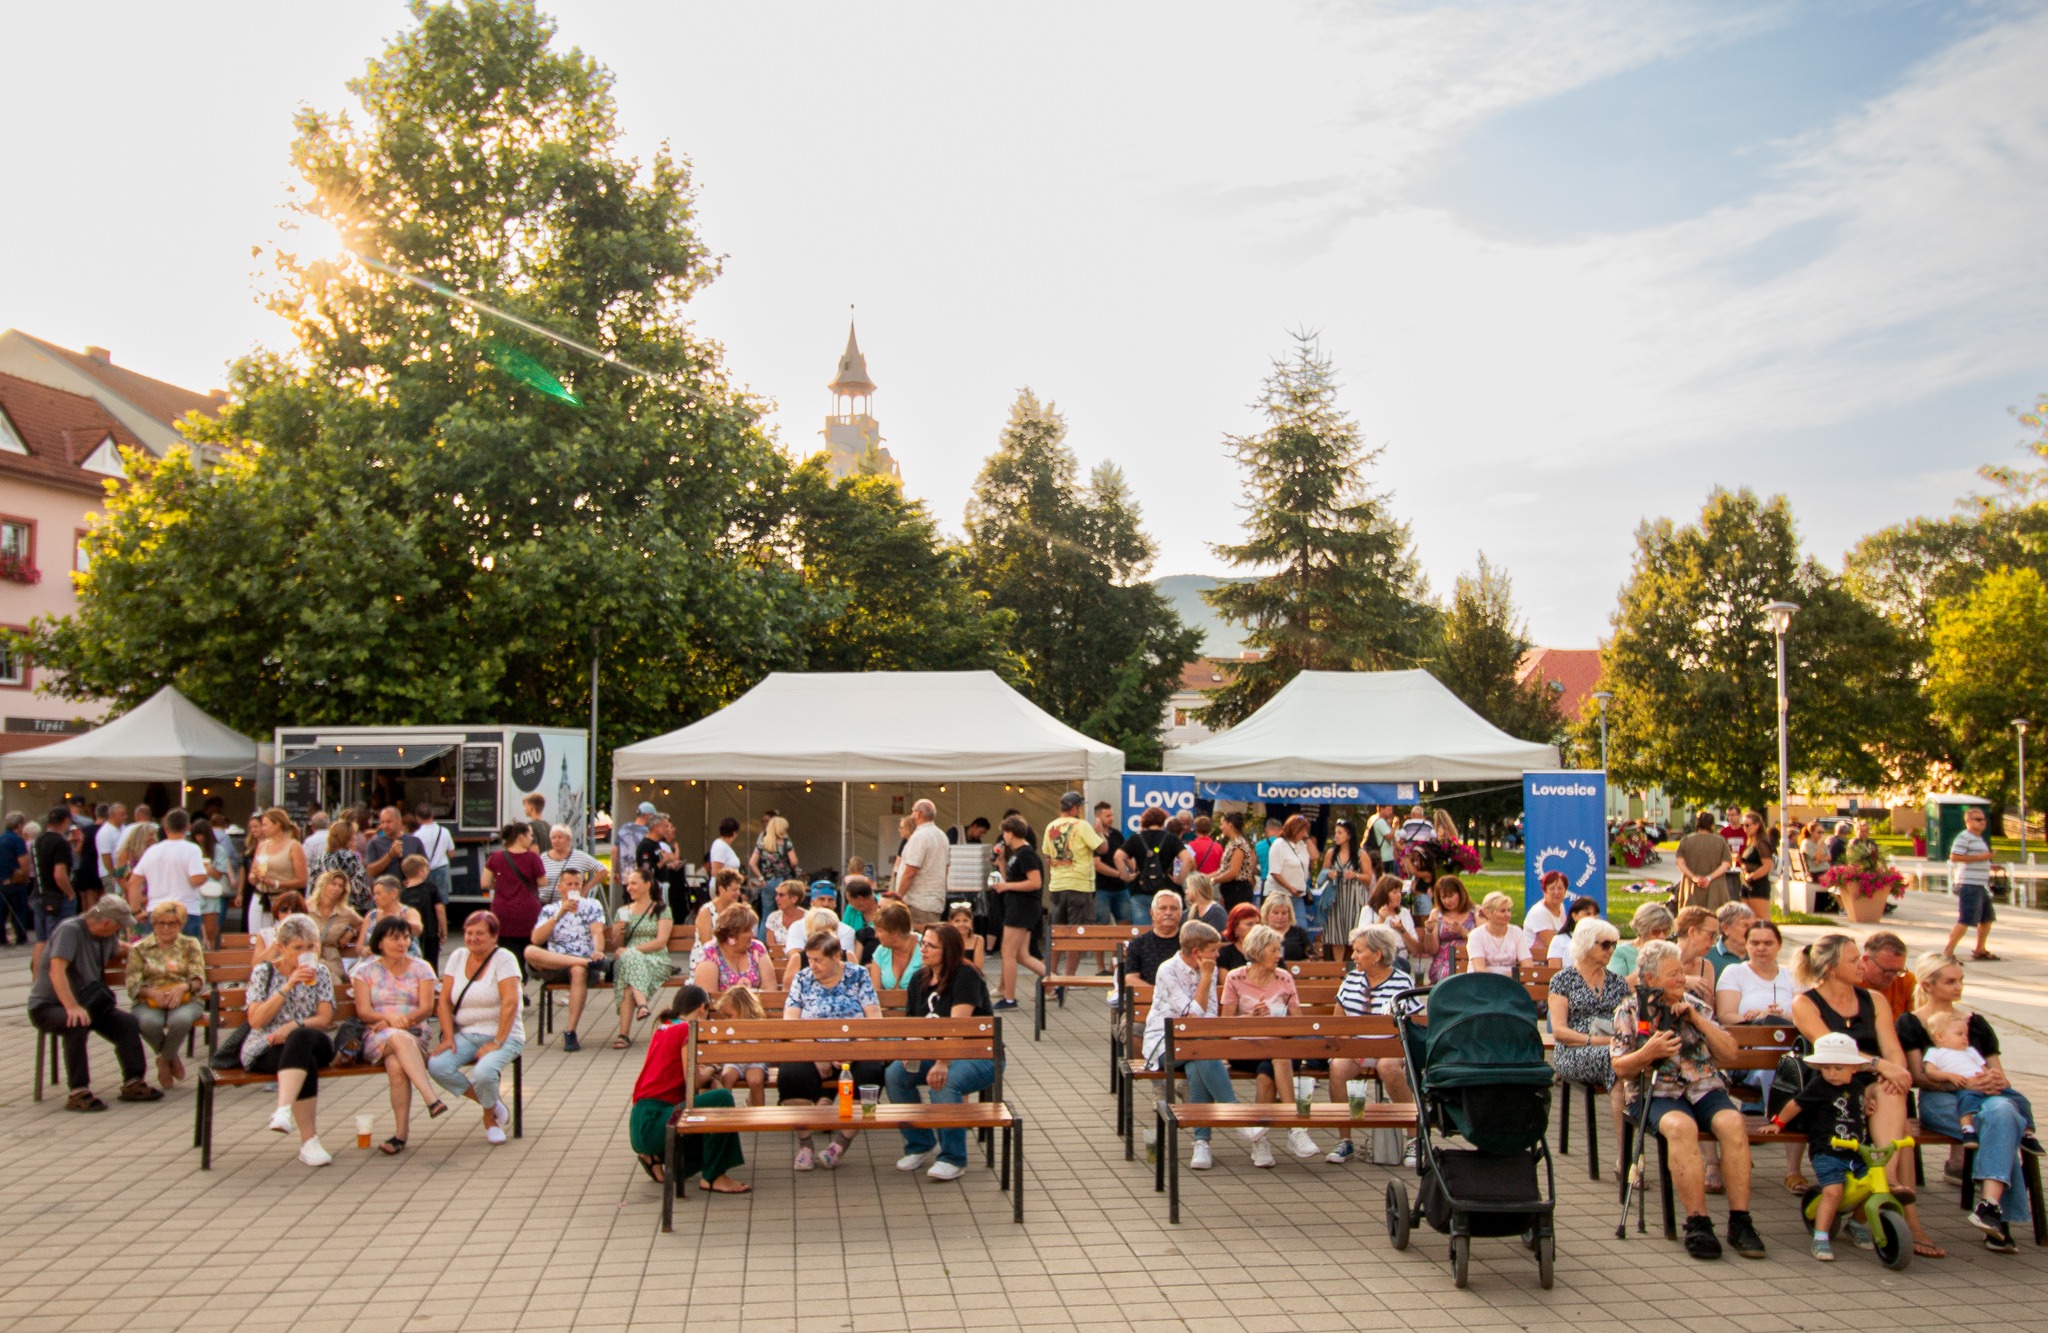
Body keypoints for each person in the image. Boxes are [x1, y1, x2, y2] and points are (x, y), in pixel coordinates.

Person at [1610, 940, 1766, 1261]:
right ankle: (1698, 1221)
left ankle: (1740, 1220)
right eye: (1672, 975)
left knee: (1732, 1122)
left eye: (1682, 972)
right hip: (1657, 1091)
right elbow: (1620, 1067)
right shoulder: (1629, 1010)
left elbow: (1730, 1052)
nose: (1681, 979)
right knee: (1681, 1128)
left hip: (1703, 1087)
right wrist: (1648, 1052)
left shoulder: (1697, 1005)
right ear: (1650, 979)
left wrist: (1697, 1020)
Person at [1792, 933, 1941, 1258]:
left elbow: (1893, 1050)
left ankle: (1882, 1185)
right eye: (1853, 959)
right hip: (1832, 1089)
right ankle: (1891, 1199)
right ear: (1831, 968)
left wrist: (1896, 1075)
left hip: (1874, 1084)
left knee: (1892, 1097)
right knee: (1899, 1125)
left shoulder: (1874, 999)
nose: (1862, 964)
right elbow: (1833, 1052)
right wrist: (1881, 1066)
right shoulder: (1805, 1003)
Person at [1900, 952, 2035, 1252]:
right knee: (2004, 1121)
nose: (1959, 987)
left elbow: (1997, 1072)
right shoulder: (1912, 1023)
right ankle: (1996, 1218)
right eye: (1950, 981)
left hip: (1986, 1100)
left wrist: (1996, 1080)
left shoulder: (1976, 1023)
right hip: (1941, 1101)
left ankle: (1989, 1208)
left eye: (1961, 980)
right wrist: (1960, 1082)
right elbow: (1919, 1077)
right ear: (1928, 985)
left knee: (2001, 1113)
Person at [1142, 919, 1267, 1170]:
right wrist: (1207, 977)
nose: (1218, 954)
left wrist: (1206, 979)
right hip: (1162, 1045)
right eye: (1214, 950)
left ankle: (1202, 1143)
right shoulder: (1168, 970)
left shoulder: (1207, 970)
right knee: (1200, 1047)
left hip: (1195, 1045)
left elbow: (1207, 1018)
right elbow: (1191, 1017)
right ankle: (1236, 1117)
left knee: (1198, 1060)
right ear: (1197, 952)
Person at [888, 923, 998, 1180]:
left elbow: (957, 1026)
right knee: (895, 1074)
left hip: (976, 1053)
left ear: (947, 950)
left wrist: (942, 1061)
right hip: (937, 1051)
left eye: (930, 945)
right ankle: (920, 1142)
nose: (923, 949)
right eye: (922, 943)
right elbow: (914, 1022)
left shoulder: (966, 975)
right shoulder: (920, 977)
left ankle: (953, 1158)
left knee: (944, 1081)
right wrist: (911, 1048)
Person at [628, 985, 749, 1193]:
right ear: (702, 1008)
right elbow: (693, 1080)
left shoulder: (665, 1026)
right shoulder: (686, 1030)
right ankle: (713, 1176)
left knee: (703, 1111)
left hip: (641, 1120)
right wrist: (711, 1069)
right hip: (657, 1121)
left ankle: (657, 1157)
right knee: (721, 1098)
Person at [780, 932, 885, 1170]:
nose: (813, 966)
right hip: (812, 1048)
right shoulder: (803, 978)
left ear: (837, 956)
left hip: (854, 1048)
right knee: (790, 1075)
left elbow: (874, 1017)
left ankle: (839, 1145)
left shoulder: (858, 975)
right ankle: (806, 1146)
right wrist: (818, 1052)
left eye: (818, 960)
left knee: (871, 1073)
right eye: (810, 959)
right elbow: (791, 1021)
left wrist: (852, 1049)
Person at [1768, 1031, 1876, 1261]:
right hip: (1827, 1151)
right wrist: (1778, 1122)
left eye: (1838, 1068)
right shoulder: (1819, 1086)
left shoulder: (1857, 1086)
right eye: (1826, 1068)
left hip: (1856, 1151)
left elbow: (1854, 1105)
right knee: (1833, 1191)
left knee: (1872, 1184)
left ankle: (1856, 1223)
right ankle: (1821, 1236)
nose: (1832, 1073)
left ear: (1854, 1068)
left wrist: (1866, 1107)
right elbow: (1796, 1104)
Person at [241, 912, 338, 1165]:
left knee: (302, 1035)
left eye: (310, 947)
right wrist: (288, 985)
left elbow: (325, 1018)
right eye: (297, 948)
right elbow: (256, 1021)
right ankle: (310, 1142)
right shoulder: (264, 972)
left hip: (315, 1041)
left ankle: (283, 1109)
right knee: (305, 1063)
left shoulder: (321, 972)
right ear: (281, 948)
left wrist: (291, 1026)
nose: (305, 953)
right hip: (267, 1045)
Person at [1222, 923, 1317, 1162]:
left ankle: (1261, 1142)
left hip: (1279, 1047)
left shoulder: (1284, 978)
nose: (1279, 956)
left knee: (1270, 1072)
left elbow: (1299, 1022)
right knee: (1277, 1057)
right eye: (1274, 950)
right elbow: (1224, 1024)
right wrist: (1250, 1018)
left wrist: (1279, 1020)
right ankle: (1295, 1129)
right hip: (1246, 1049)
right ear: (1258, 950)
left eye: (1279, 950)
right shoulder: (1236, 978)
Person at [352, 915, 447, 1153]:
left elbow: (426, 1008)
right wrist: (389, 1020)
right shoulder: (364, 971)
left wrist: (402, 1021)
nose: (402, 943)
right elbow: (363, 1011)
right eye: (395, 938)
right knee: (398, 1038)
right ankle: (431, 1099)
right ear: (380, 942)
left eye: (406, 937)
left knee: (396, 1066)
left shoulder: (421, 967)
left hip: (414, 1030)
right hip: (377, 1034)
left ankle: (400, 1136)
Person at [430, 911, 526, 1146]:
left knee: (483, 1073)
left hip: (504, 1035)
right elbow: (443, 1001)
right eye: (468, 933)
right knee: (437, 1065)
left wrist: (497, 1041)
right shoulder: (458, 956)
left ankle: (489, 1120)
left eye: (480, 933)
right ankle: (493, 1103)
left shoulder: (504, 958)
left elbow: (511, 1002)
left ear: (494, 937)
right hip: (467, 1032)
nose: (473, 938)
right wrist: (448, 1036)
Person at [1323, 924, 1414, 1165]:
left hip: (1390, 1048)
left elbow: (1411, 1026)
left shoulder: (1402, 982)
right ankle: (1345, 1140)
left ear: (1378, 955)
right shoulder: (1351, 979)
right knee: (1338, 1068)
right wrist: (1353, 1046)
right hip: (1356, 1047)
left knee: (1388, 1068)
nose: (1352, 957)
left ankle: (1414, 1139)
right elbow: (1338, 1022)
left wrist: (1382, 1048)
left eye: (1358, 951)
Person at [1547, 916, 1629, 1177]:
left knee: (1624, 1068)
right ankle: (1626, 1159)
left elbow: (1631, 1022)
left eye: (1614, 944)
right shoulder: (1564, 980)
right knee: (1618, 1063)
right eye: (1605, 944)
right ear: (1585, 943)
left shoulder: (1618, 982)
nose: (1611, 950)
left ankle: (1626, 1157)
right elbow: (1559, 1031)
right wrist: (1599, 1041)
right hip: (1574, 1050)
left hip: (1615, 1049)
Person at [125, 900, 208, 1089]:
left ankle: (164, 1060)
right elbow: (132, 984)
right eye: (160, 923)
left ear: (181, 924)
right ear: (153, 924)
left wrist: (182, 988)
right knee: (147, 1022)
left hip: (186, 998)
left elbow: (198, 978)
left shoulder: (190, 944)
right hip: (149, 1000)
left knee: (180, 1021)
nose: (166, 928)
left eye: (172, 923)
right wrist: (151, 993)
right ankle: (171, 1056)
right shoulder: (140, 948)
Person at [525, 866, 609, 1051]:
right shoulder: (550, 909)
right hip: (555, 964)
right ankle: (585, 962)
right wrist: (560, 913)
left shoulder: (592, 905)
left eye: (577, 884)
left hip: (582, 967)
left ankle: (570, 1031)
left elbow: (597, 931)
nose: (573, 888)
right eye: (569, 884)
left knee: (578, 970)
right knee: (530, 951)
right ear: (560, 888)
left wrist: (598, 950)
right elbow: (537, 938)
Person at [611, 867, 676, 1046]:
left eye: (634, 883)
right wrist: (618, 931)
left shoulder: (661, 910)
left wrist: (632, 950)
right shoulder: (623, 911)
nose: (629, 887)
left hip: (655, 959)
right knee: (628, 962)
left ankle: (623, 1035)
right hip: (627, 960)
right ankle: (642, 1005)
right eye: (628, 884)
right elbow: (616, 946)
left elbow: (660, 942)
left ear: (647, 884)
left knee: (627, 980)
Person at [992, 814, 1045, 1011]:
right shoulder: (1015, 853)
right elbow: (1012, 879)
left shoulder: (1026, 853)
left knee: (1008, 952)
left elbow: (1035, 882)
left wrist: (1007, 888)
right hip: (1018, 906)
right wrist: (1002, 865)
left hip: (1022, 908)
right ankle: (1055, 981)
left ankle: (1009, 998)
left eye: (1004, 832)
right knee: (1023, 955)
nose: (1003, 836)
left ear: (1011, 833)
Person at [481, 822, 546, 972]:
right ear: (521, 837)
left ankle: (513, 981)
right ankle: (523, 981)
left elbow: (485, 883)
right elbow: (543, 882)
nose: (531, 839)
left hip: (502, 911)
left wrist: (502, 883)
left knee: (507, 952)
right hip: (528, 911)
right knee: (528, 950)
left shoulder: (495, 857)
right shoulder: (532, 858)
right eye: (530, 835)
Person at [29, 806, 78, 974]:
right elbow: (59, 874)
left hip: (38, 894)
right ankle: (55, 977)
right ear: (66, 821)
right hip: (57, 897)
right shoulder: (60, 843)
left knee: (41, 940)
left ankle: (37, 978)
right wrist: (70, 892)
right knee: (58, 941)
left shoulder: (37, 840)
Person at [1946, 805, 1998, 962]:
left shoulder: (1978, 838)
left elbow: (1976, 859)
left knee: (1987, 918)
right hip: (1968, 884)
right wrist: (1983, 858)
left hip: (1979, 885)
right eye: (1978, 819)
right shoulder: (1964, 837)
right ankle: (1947, 953)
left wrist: (1990, 865)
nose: (1983, 822)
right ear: (1968, 821)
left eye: (1984, 819)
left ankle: (1980, 949)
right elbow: (1954, 857)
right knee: (1965, 920)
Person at [246, 808, 308, 936]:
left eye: (265, 825)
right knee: (256, 936)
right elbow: (251, 875)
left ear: (277, 825)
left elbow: (302, 880)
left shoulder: (294, 846)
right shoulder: (263, 845)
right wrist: (255, 876)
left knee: (281, 937)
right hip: (260, 897)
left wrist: (276, 883)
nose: (263, 828)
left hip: (283, 899)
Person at [707, 985, 770, 1106]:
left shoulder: (758, 1026)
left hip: (755, 1061)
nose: (727, 1020)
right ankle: (728, 1111)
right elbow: (717, 1048)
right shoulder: (728, 1028)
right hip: (733, 1061)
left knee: (756, 1081)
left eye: (729, 1016)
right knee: (726, 1078)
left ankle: (758, 1115)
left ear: (744, 1011)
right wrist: (723, 1037)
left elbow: (766, 1048)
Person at [891, 800, 950, 928]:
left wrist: (898, 897)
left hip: (918, 903)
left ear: (918, 814)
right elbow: (946, 868)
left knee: (919, 943)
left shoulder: (920, 836)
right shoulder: (942, 835)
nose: (912, 815)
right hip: (934, 901)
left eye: (913, 811)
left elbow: (911, 871)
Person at [1119, 807, 1190, 904]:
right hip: (1166, 889)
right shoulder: (1171, 838)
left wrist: (1126, 877)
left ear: (1144, 821)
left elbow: (1118, 856)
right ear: (1163, 821)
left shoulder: (1136, 838)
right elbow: (1187, 859)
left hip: (1140, 890)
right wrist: (1179, 880)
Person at [1320, 819, 1370, 947]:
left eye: (1340, 833)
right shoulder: (1331, 853)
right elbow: (1323, 873)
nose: (1336, 836)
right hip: (1336, 898)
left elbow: (1368, 877)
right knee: (1336, 933)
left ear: (1349, 835)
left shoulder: (1360, 854)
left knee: (1356, 932)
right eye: (1336, 833)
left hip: (1355, 898)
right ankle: (1338, 965)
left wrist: (1355, 875)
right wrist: (1329, 874)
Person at [188, 816, 235, 949]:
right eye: (196, 835)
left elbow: (219, 874)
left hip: (210, 894)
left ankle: (212, 958)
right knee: (193, 930)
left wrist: (207, 868)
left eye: (201, 834)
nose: (199, 838)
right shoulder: (191, 849)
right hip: (193, 893)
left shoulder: (218, 849)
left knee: (211, 931)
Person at [1674, 810, 1734, 912]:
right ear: (1712, 824)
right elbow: (1725, 864)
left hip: (1692, 886)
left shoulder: (1686, 840)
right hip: (1715, 886)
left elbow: (1679, 863)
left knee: (1691, 917)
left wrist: (1694, 877)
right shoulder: (1720, 841)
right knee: (1715, 917)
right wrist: (1709, 878)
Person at [1421, 875, 1476, 983]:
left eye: (1451, 896)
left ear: (1460, 894)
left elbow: (1484, 940)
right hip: (1443, 961)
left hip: (1470, 958)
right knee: (1446, 973)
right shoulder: (1436, 914)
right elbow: (1431, 950)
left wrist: (1462, 932)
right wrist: (1428, 932)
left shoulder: (1475, 912)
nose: (1447, 901)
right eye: (1443, 897)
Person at [1124, 891, 1184, 989]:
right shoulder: (1138, 944)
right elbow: (1130, 979)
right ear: (1152, 913)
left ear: (1180, 913)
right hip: (1150, 999)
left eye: (1173, 908)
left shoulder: (1190, 943)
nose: (1168, 913)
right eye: (1163, 908)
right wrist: (1159, 996)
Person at [1264, 815, 1314, 935]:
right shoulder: (1279, 845)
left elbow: (1315, 856)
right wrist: (1290, 887)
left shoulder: (1302, 845)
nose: (1304, 833)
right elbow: (1275, 872)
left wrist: (1307, 839)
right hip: (1279, 894)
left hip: (1297, 895)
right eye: (1302, 831)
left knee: (1301, 927)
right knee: (1277, 927)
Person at [1466, 891, 1532, 976]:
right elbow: (1479, 969)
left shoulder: (1516, 932)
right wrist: (1500, 980)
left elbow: (1527, 965)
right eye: (1502, 911)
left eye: (1509, 910)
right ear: (1487, 913)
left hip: (1511, 982)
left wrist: (1513, 977)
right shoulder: (1476, 935)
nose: (1507, 914)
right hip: (1483, 982)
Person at [865, 901, 925, 993]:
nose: (876, 935)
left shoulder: (925, 946)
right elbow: (876, 994)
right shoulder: (881, 951)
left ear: (894, 933)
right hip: (888, 1006)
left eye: (879, 931)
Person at [539, 824, 607, 903]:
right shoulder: (543, 857)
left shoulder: (580, 856)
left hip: (571, 903)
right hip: (546, 904)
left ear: (568, 839)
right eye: (553, 838)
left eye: (560, 837)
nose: (556, 840)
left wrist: (586, 888)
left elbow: (603, 871)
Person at [316, 816, 370, 914]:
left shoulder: (320, 858)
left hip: (321, 909)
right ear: (347, 837)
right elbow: (359, 889)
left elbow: (313, 886)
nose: (355, 837)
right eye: (354, 834)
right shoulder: (349, 858)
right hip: (344, 910)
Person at [693, 868, 748, 960]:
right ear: (721, 889)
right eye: (734, 890)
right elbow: (707, 944)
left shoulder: (736, 910)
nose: (738, 893)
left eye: (739, 889)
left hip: (731, 958)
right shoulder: (706, 912)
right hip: (707, 960)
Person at [1610, 901, 1672, 980]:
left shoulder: (1669, 952)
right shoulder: (1620, 952)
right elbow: (1617, 988)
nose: (1662, 936)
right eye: (1656, 931)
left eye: (1665, 931)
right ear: (1643, 929)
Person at [1211, 811, 1256, 913]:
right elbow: (1223, 869)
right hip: (1232, 890)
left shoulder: (1238, 844)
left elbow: (1233, 872)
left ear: (1230, 825)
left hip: (1237, 890)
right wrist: (1206, 877)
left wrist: (1213, 880)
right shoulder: (1233, 843)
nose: (1221, 827)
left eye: (1222, 824)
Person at [1734, 809, 1773, 919]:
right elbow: (1749, 863)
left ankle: (1770, 936)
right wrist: (1740, 860)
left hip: (1758, 884)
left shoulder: (1761, 843)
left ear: (1757, 826)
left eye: (1748, 825)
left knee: (1762, 917)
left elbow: (1768, 865)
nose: (1745, 828)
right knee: (1748, 917)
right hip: (1747, 884)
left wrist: (1752, 876)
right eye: (1743, 825)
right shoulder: (1751, 842)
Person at [1521, 871, 1571, 957]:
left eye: (1560, 888)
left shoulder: (1561, 907)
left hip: (1556, 956)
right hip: (1538, 961)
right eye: (1552, 889)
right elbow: (1551, 945)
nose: (1556, 892)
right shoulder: (1539, 912)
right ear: (1544, 891)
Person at [749, 814, 798, 898]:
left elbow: (751, 863)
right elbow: (794, 862)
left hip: (768, 882)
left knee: (768, 910)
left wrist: (761, 878)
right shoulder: (786, 843)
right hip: (784, 881)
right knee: (785, 908)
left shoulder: (762, 844)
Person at [0, 811, 29, 948]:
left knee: (2, 911)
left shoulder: (1, 838)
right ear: (19, 825)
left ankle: (2, 938)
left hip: (2, 881)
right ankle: (20, 937)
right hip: (15, 880)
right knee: (19, 910)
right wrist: (26, 877)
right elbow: (23, 862)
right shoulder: (17, 840)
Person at [1546, 896, 1602, 962]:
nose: (1592, 918)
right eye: (1587, 914)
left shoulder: (1602, 939)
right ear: (1574, 916)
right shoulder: (1560, 940)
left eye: (1595, 914)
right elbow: (1554, 969)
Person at [1706, 902, 1754, 980]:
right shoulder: (1707, 956)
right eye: (1745, 925)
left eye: (1753, 926)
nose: (1751, 930)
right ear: (1725, 928)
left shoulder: (1759, 955)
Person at [762, 879, 811, 953]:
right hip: (778, 961)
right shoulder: (773, 918)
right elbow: (772, 948)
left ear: (794, 899)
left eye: (781, 895)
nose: (776, 898)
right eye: (777, 895)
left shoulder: (809, 918)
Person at [947, 900, 986, 971]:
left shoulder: (978, 940)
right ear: (950, 923)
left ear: (971, 922)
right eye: (957, 921)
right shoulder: (946, 939)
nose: (962, 924)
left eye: (965, 920)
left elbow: (978, 969)